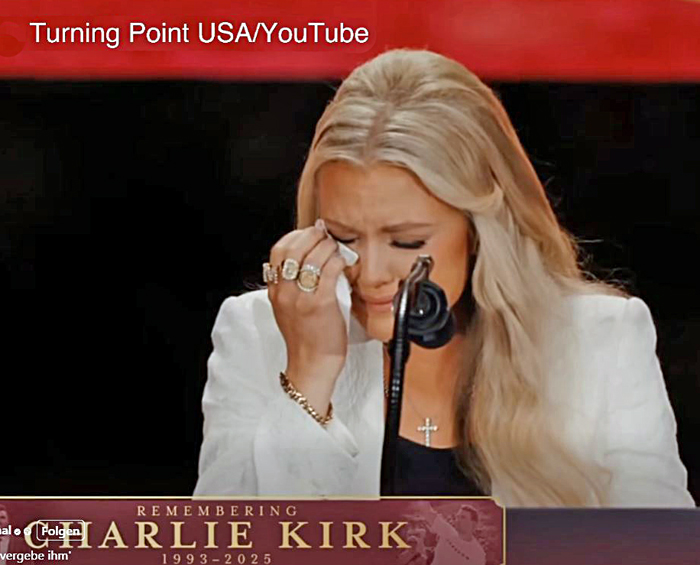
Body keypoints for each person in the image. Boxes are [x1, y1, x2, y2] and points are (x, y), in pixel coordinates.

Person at [193, 48, 695, 507]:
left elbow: (657, 549)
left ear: (479, 231)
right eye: (345, 237)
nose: (371, 273)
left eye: (407, 241)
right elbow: (230, 548)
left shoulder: (600, 341)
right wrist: (310, 376)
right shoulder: (257, 335)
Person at [419, 502, 486, 565]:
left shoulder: (478, 553)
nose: (458, 520)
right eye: (457, 517)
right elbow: (427, 511)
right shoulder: (447, 531)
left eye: (463, 517)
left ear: (473, 524)